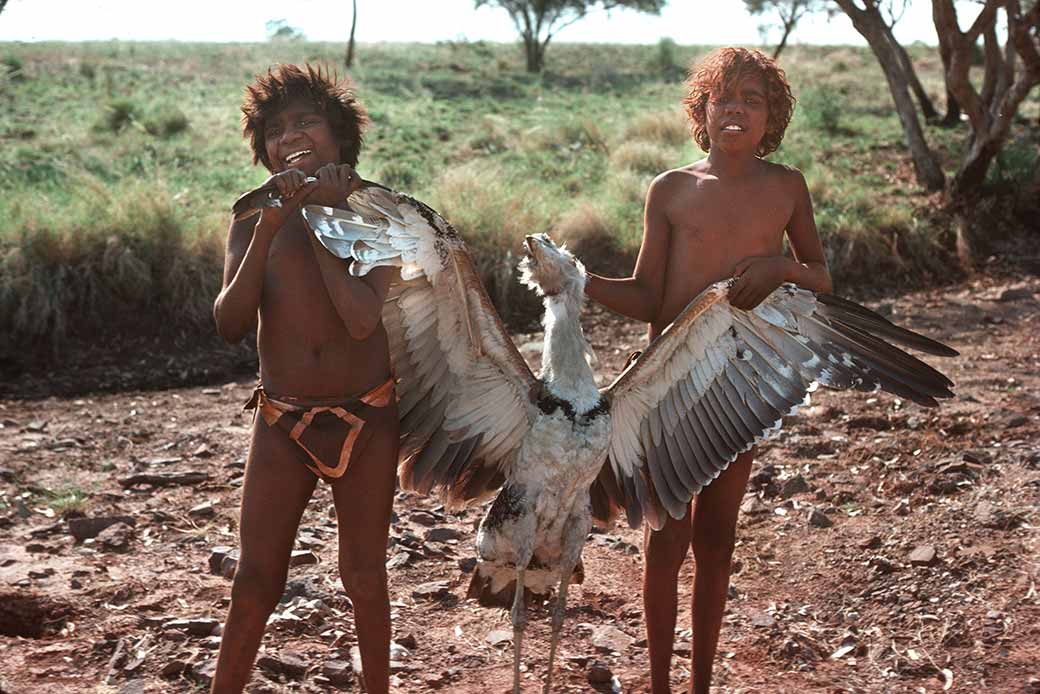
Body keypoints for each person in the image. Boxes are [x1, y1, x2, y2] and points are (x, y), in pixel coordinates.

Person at [585, 47, 833, 693]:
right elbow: (647, 296)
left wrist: (780, 268)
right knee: (667, 537)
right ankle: (662, 683)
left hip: (744, 380)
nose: (737, 109)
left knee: (718, 537)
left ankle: (700, 683)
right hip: (669, 383)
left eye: (753, 100)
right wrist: (578, 281)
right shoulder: (671, 188)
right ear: (703, 110)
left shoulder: (786, 187)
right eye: (724, 97)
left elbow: (822, 278)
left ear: (771, 116)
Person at [210, 64, 398, 694]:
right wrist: (271, 225)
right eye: (274, 129)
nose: (289, 135)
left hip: (367, 418)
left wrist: (319, 220)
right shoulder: (250, 217)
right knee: (256, 577)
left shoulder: (377, 212)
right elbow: (230, 322)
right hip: (280, 422)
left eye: (306, 120)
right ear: (262, 151)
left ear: (340, 135)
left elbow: (363, 319)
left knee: (365, 578)